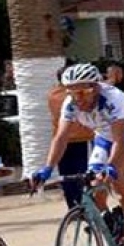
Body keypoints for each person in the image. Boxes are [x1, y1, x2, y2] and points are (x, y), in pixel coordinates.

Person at [31, 63, 124, 246]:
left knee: (115, 174)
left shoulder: (114, 98)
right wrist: (47, 168)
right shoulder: (71, 104)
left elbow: (120, 141)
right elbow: (61, 137)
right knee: (94, 184)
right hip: (104, 138)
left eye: (84, 91)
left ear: (95, 87)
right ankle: (111, 226)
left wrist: (112, 168)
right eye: (72, 92)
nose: (79, 97)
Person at [47, 68, 92, 209]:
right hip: (81, 139)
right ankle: (85, 206)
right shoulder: (75, 95)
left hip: (62, 141)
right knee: (83, 176)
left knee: (67, 177)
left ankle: (72, 207)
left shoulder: (52, 94)